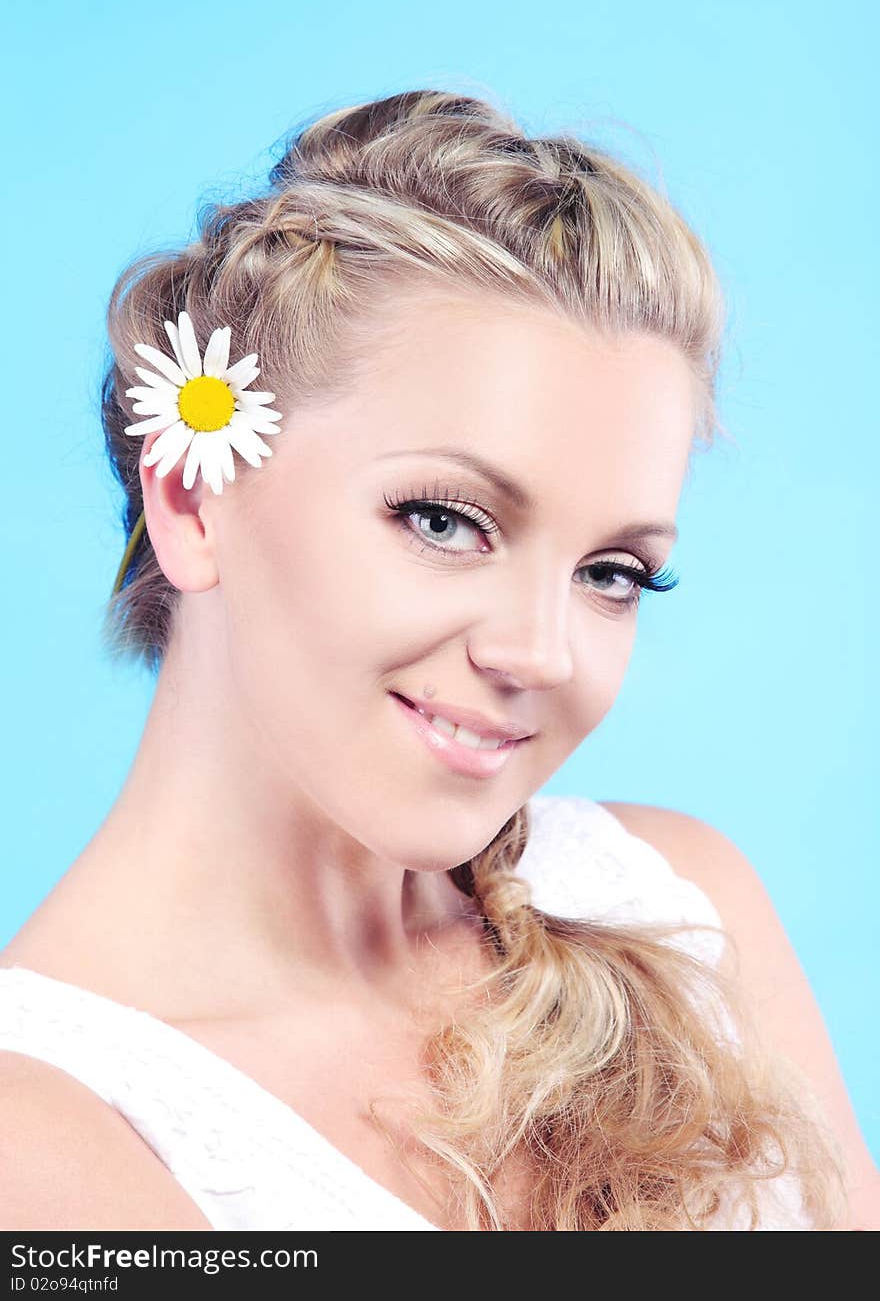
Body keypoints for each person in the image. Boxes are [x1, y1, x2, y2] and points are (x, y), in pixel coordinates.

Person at [0, 90, 875, 1232]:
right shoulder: (49, 1137)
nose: (538, 651)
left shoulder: (678, 906)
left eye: (611, 572)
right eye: (443, 520)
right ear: (192, 496)